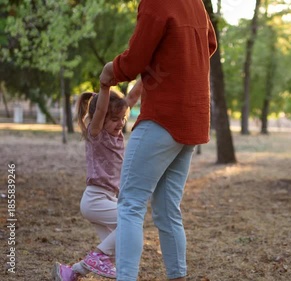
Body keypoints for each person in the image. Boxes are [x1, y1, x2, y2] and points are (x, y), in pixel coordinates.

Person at [99, 0, 217, 280]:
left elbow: (135, 59)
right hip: (191, 120)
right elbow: (208, 44)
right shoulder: (195, 2)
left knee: (129, 204)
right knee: (166, 210)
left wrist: (110, 71)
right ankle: (178, 276)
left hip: (163, 118)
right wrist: (161, 72)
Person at [53, 81, 142, 281]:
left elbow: (133, 96)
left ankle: (71, 272)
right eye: (114, 119)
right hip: (95, 199)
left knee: (119, 244)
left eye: (123, 118)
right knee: (131, 222)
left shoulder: (116, 134)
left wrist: (149, 70)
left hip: (106, 199)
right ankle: (95, 257)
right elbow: (101, 109)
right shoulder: (97, 133)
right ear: (99, 119)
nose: (120, 123)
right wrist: (105, 86)